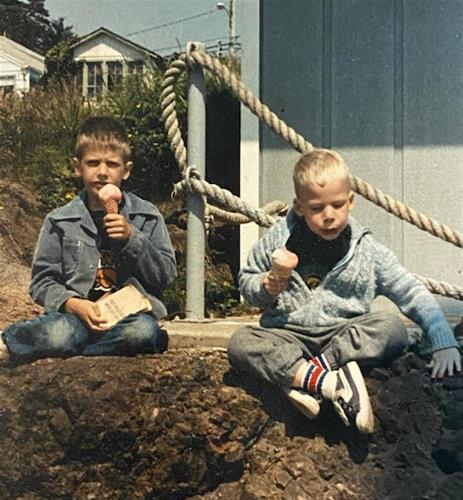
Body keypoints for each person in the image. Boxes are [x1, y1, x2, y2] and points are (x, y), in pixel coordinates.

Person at [228, 148, 461, 434]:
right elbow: (247, 282)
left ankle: (306, 377)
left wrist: (443, 340)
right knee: (241, 342)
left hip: (343, 336)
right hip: (289, 334)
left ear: (350, 202)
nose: (329, 216)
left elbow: (411, 292)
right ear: (299, 207)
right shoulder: (277, 239)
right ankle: (328, 383)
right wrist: (266, 285)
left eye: (337, 205)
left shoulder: (367, 250)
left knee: (392, 328)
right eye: (317, 208)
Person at [0, 116, 177, 362]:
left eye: (112, 164)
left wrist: (132, 238)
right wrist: (72, 304)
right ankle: (11, 340)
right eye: (93, 163)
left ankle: (76, 349)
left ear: (126, 170)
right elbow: (42, 282)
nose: (102, 172)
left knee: (143, 332)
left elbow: (165, 275)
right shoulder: (59, 220)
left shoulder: (147, 216)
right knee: (60, 333)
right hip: (75, 317)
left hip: (127, 317)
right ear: (77, 167)